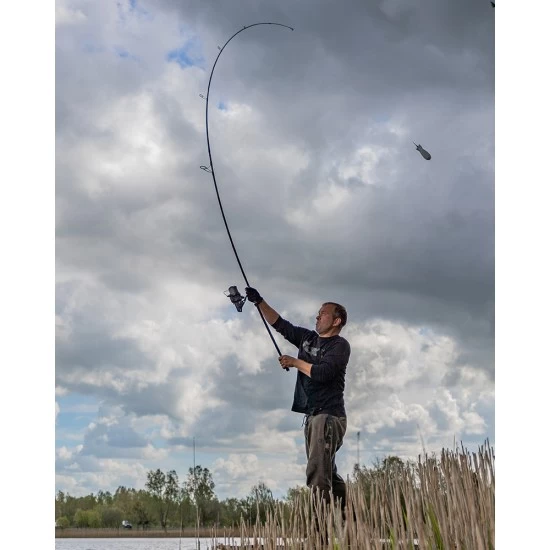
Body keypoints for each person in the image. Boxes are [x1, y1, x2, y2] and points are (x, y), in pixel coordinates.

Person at [245, 286, 351, 515]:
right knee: (327, 473)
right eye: (318, 313)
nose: (317, 317)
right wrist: (259, 301)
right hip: (312, 416)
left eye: (323, 314)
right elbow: (280, 324)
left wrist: (294, 362)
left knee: (317, 474)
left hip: (328, 416)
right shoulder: (307, 338)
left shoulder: (339, 346)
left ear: (336, 321)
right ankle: (347, 520)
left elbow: (323, 373)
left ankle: (320, 529)